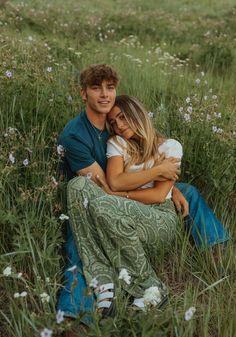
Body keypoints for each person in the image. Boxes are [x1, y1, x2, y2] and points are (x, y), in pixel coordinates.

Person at [57, 64, 230, 321]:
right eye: (96, 88)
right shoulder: (76, 135)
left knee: (188, 191)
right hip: (93, 194)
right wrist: (161, 177)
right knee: (77, 241)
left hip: (131, 191)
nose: (104, 95)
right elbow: (108, 185)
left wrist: (169, 188)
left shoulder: (113, 121)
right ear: (84, 94)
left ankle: (218, 253)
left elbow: (143, 160)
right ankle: (74, 317)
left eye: (110, 88)